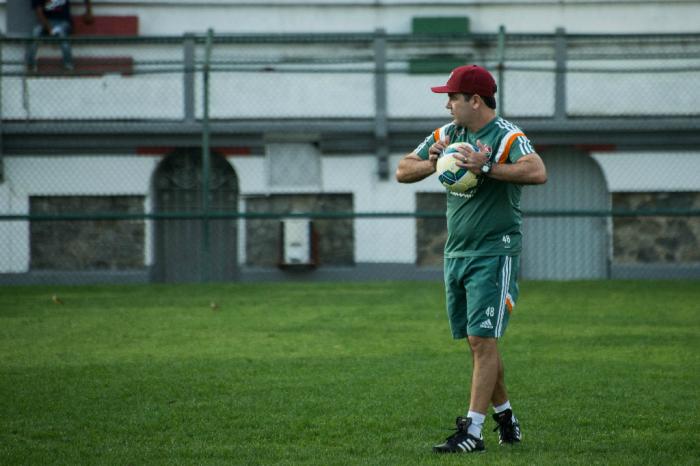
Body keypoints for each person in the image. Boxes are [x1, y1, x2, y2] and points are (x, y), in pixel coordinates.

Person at [396, 64, 547, 453]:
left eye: (452, 97)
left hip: (494, 252)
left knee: (482, 340)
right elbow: (402, 169)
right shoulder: (449, 135)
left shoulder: (507, 135)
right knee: (479, 343)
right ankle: (506, 416)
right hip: (457, 253)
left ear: (475, 100)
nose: (447, 105)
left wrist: (486, 166)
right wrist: (433, 163)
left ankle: (472, 433)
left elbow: (537, 171)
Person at [26, 0, 93, 72]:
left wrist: (88, 12)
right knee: (35, 32)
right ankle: (31, 65)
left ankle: (68, 65)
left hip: (63, 22)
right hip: (46, 22)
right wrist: (49, 28)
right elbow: (39, 13)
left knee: (61, 33)